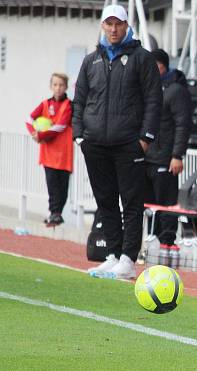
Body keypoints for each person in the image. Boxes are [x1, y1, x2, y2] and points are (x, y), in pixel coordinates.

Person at [72, 4, 162, 279]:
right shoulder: (91, 61)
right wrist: (79, 135)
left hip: (128, 144)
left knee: (132, 202)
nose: (113, 29)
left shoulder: (141, 58)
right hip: (95, 142)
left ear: (126, 26)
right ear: (102, 26)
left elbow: (153, 100)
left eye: (118, 24)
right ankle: (111, 255)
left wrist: (145, 139)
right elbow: (80, 99)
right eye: (108, 24)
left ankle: (128, 258)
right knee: (105, 201)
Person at [144, 49, 192, 248]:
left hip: (165, 158)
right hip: (147, 157)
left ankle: (166, 242)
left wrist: (177, 155)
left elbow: (183, 124)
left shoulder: (176, 91)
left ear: (164, 66)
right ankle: (150, 242)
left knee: (166, 203)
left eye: (157, 66)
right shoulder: (149, 88)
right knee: (148, 204)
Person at [25, 72, 73, 227]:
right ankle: (54, 213)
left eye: (61, 85)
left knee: (63, 188)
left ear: (66, 87)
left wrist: (41, 136)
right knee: (52, 185)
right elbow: (29, 119)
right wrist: (33, 132)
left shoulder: (69, 105)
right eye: (55, 84)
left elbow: (60, 127)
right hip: (48, 154)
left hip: (64, 154)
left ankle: (57, 213)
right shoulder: (45, 104)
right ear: (50, 86)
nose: (58, 88)